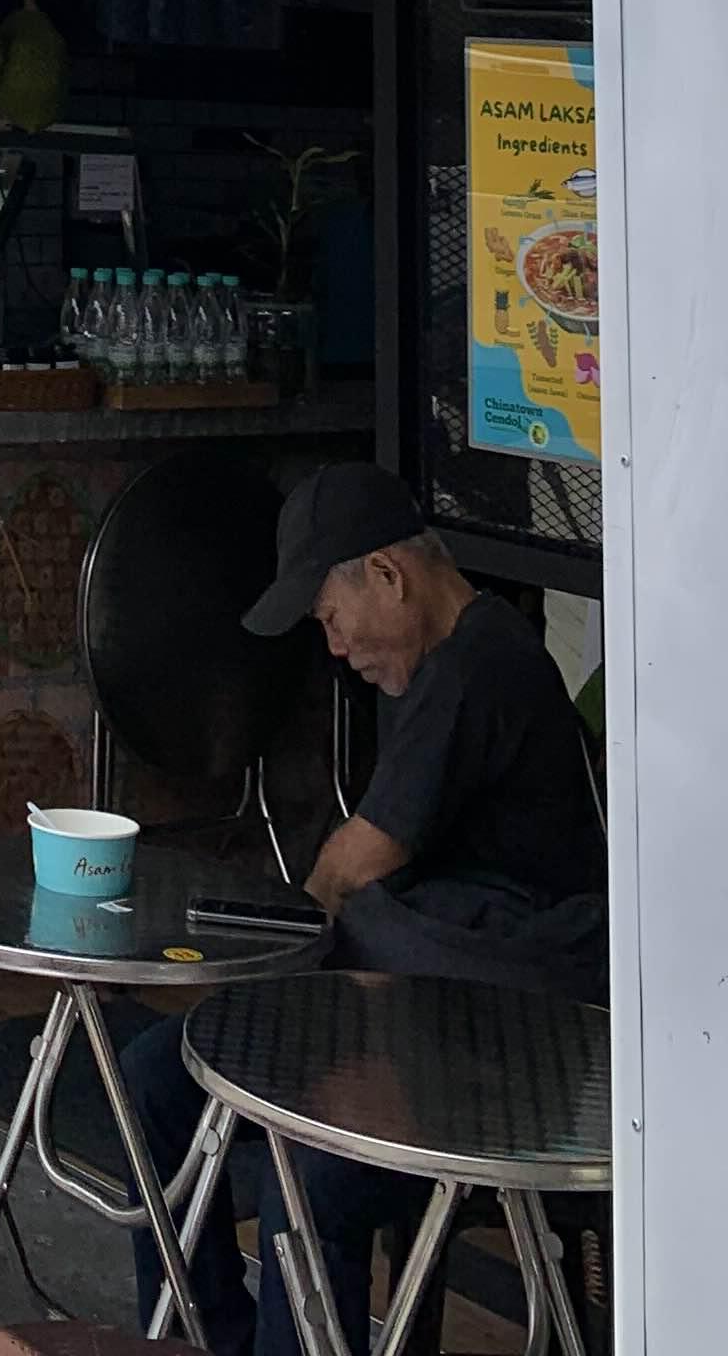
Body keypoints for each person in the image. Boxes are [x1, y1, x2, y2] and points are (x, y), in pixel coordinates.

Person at [119, 462, 606, 1355]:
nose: (336, 649)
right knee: (151, 1078)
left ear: (387, 574)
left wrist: (281, 949)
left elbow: (355, 861)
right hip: (421, 1016)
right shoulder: (440, 665)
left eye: (331, 619)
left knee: (307, 1171)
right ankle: (203, 1338)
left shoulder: (479, 667)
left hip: (506, 1048)